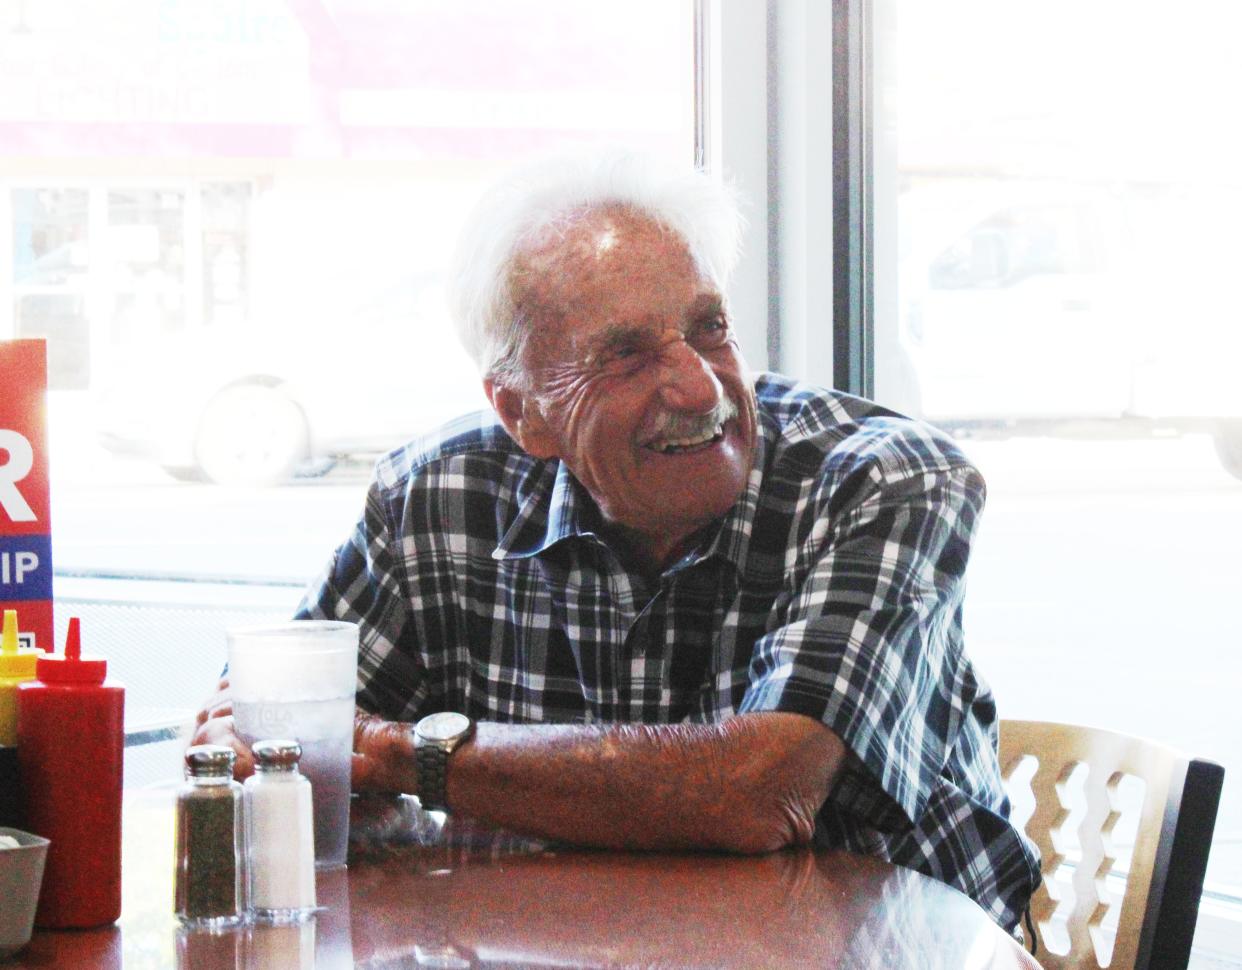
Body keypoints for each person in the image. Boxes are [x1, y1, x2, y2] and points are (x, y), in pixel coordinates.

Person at [194, 150, 1040, 933]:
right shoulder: (438, 498)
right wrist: (290, 758)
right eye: (628, 356)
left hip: (878, 950)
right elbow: (261, 741)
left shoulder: (883, 478)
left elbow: (761, 792)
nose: (700, 385)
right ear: (522, 412)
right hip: (570, 946)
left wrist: (392, 752)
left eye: (710, 327)